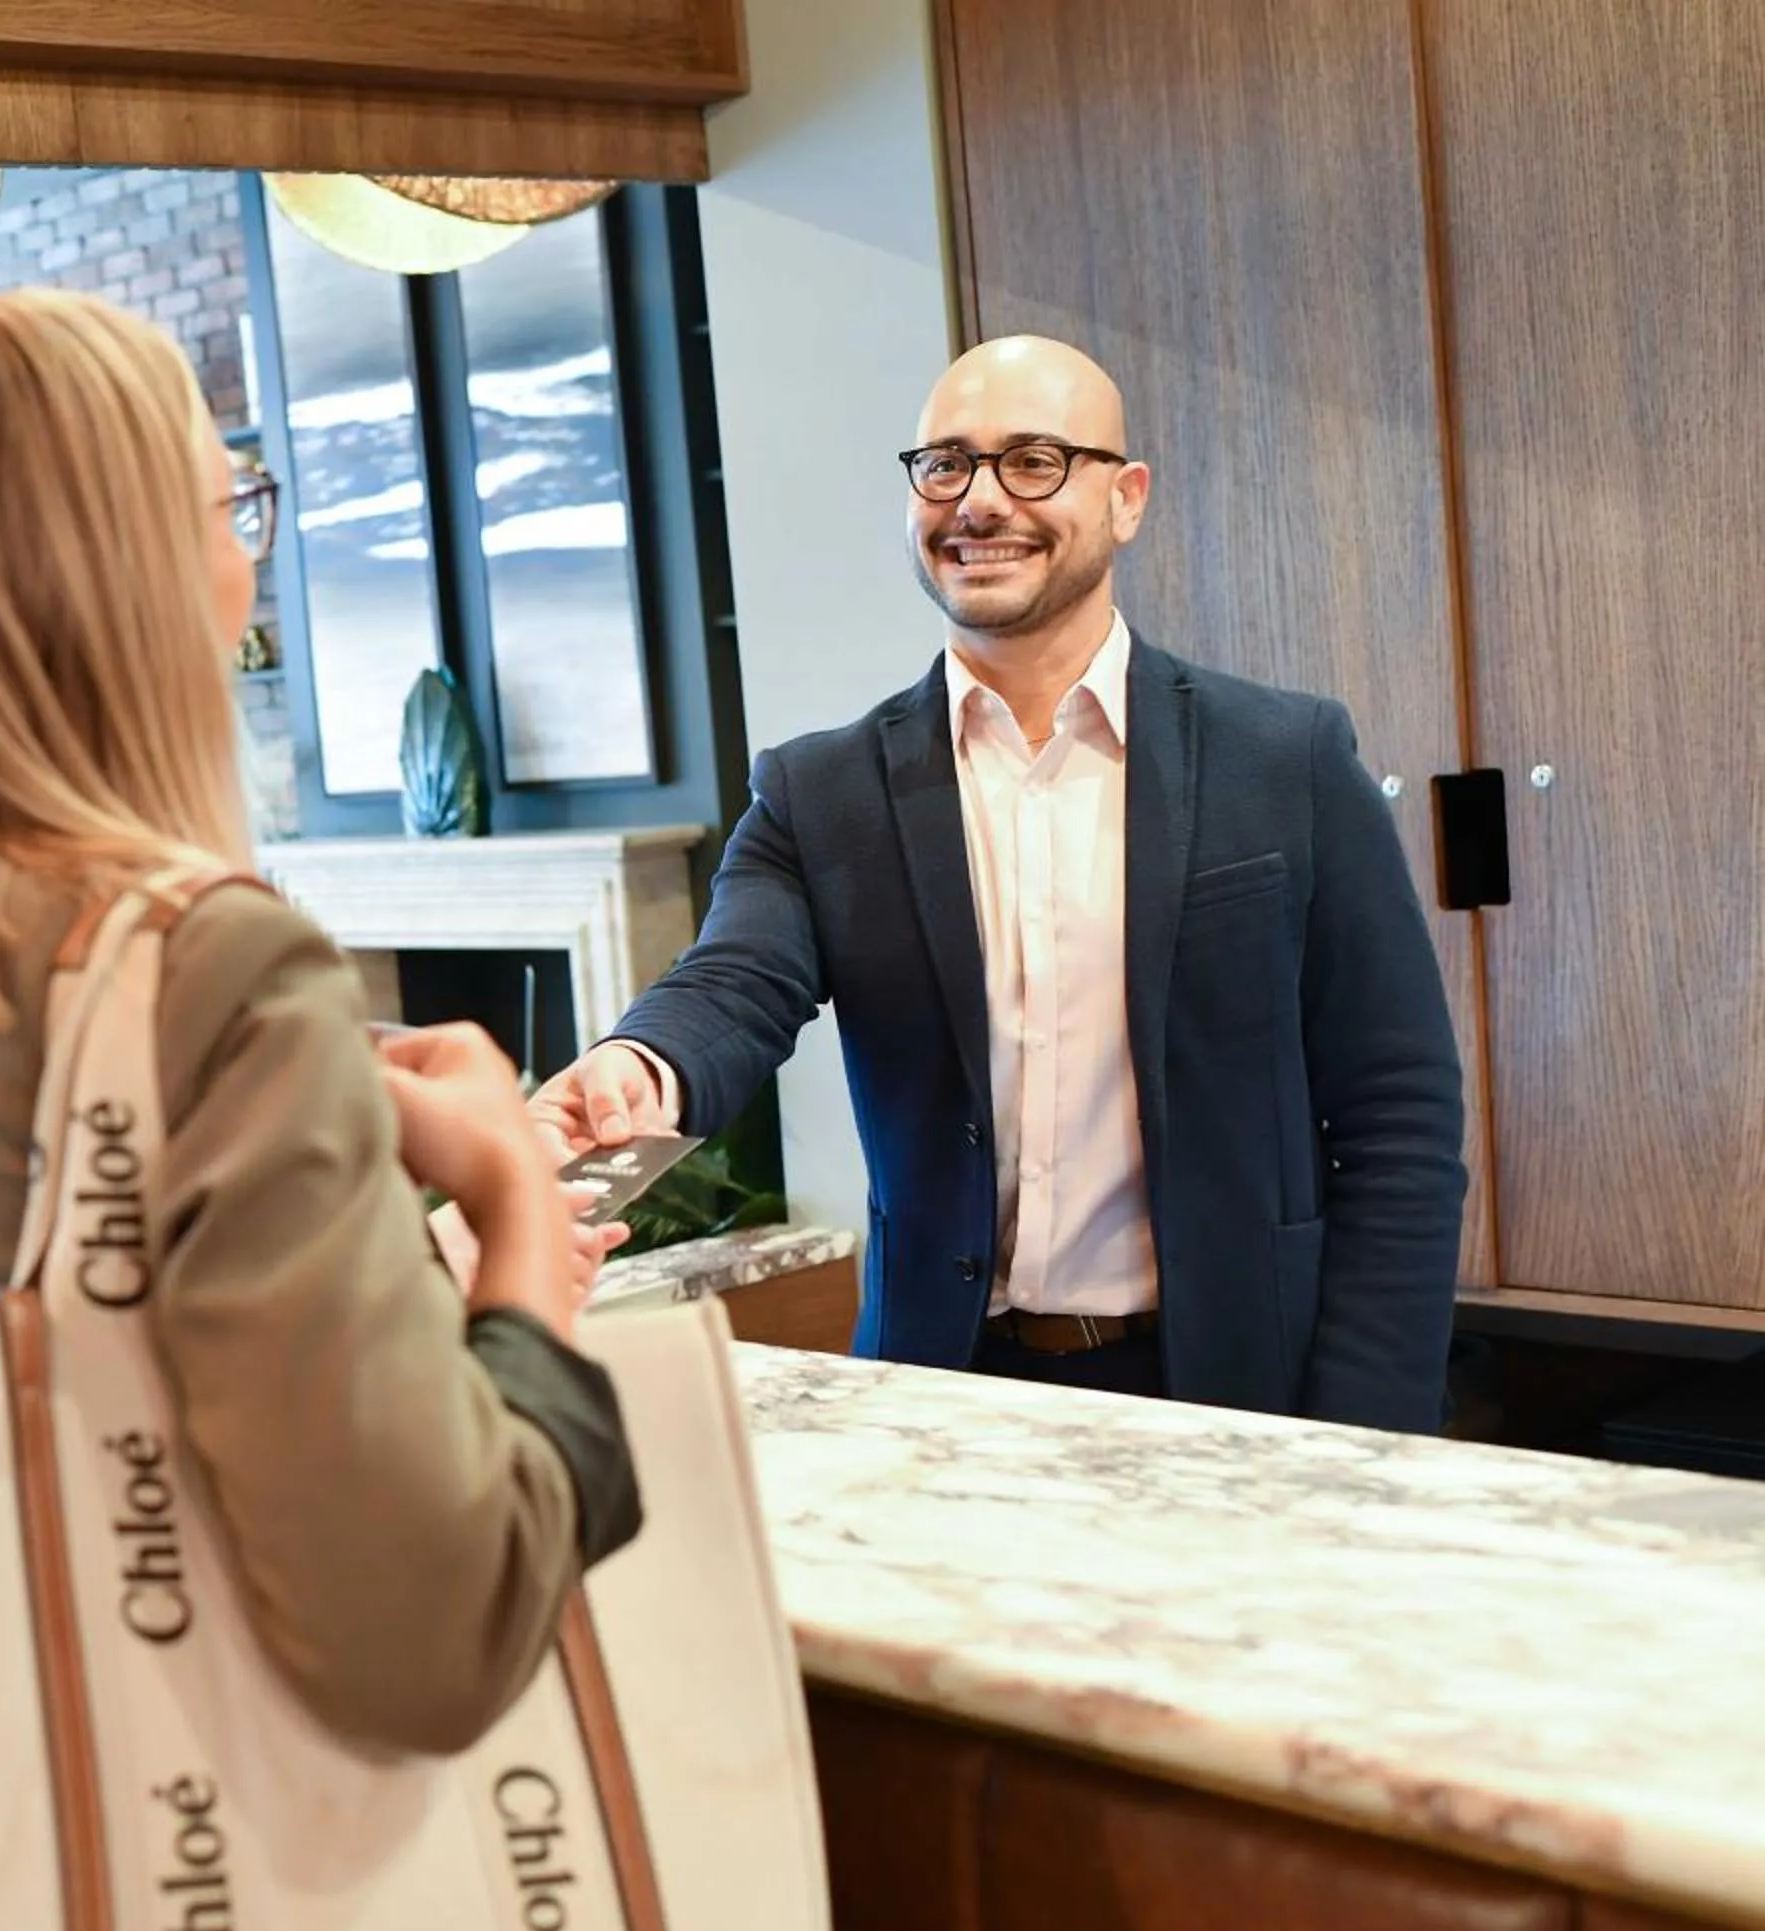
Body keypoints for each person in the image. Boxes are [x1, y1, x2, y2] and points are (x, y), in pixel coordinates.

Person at [0, 287, 642, 1754]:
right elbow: (440, 1635)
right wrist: (517, 1207)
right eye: (233, 507)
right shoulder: (211, 973)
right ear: (124, 573)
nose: (245, 565)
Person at [532, 336, 1466, 1432]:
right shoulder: (821, 790)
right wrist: (637, 1067)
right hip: (940, 1398)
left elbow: (1399, 1118)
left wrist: (1365, 1431)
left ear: (1125, 499)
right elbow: (732, 982)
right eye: (945, 464)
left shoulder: (1289, 761)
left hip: (1238, 1395)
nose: (979, 500)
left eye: (1032, 460)